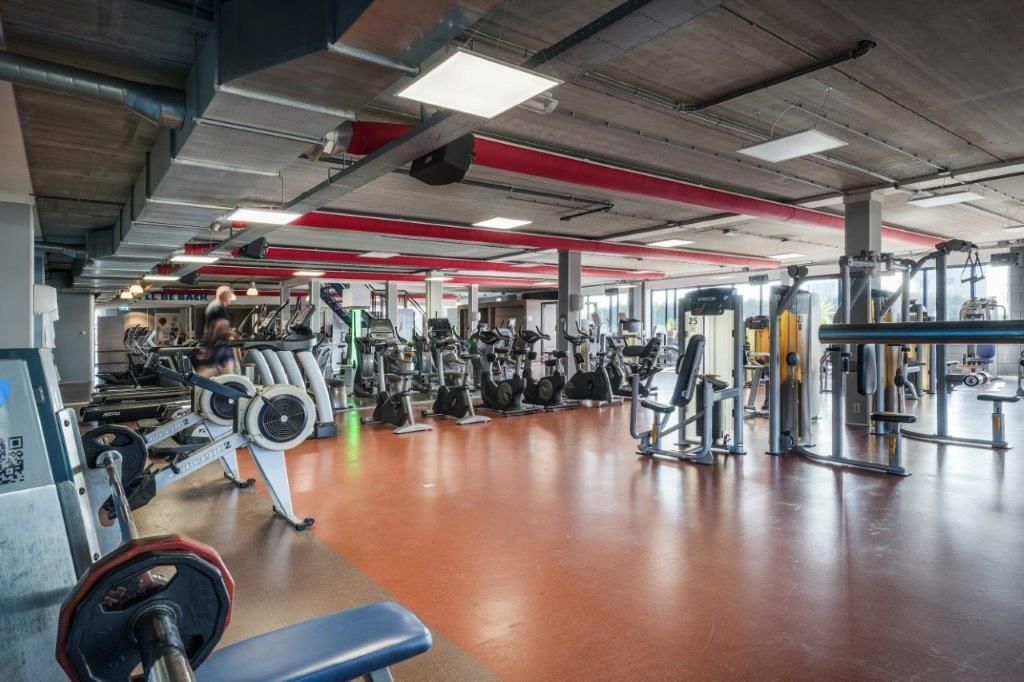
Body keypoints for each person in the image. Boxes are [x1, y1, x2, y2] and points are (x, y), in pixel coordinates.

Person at [194, 285, 236, 376]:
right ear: (224, 296)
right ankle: (196, 382)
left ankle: (228, 382)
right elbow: (217, 326)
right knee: (210, 368)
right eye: (229, 296)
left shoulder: (214, 306)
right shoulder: (219, 308)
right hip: (218, 344)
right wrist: (209, 347)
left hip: (220, 344)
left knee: (226, 367)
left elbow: (208, 327)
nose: (230, 299)